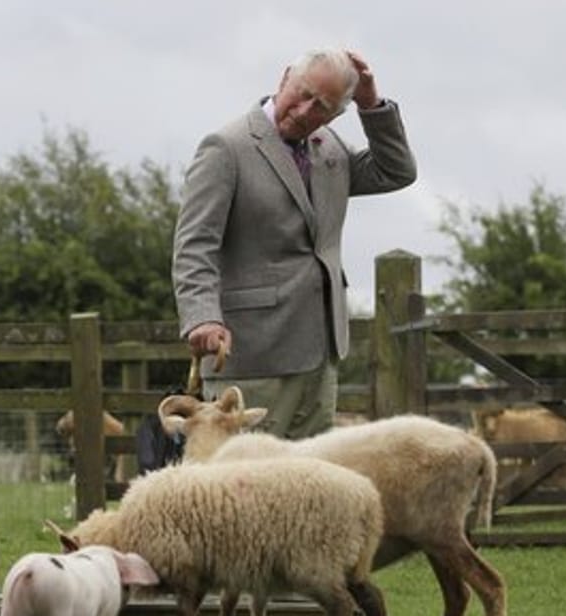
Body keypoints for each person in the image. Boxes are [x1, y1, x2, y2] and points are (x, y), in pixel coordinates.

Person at [171, 48, 416, 438]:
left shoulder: (330, 147)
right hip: (252, 356)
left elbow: (396, 171)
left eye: (322, 106)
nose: (304, 111)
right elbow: (195, 242)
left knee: (306, 489)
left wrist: (372, 106)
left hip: (320, 355)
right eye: (302, 94)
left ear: (338, 114)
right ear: (285, 77)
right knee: (242, 488)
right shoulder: (226, 147)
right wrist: (202, 315)